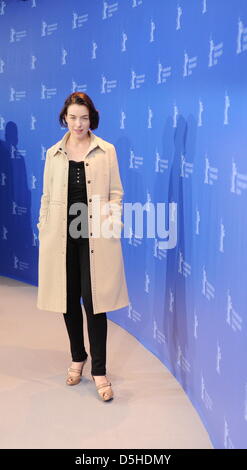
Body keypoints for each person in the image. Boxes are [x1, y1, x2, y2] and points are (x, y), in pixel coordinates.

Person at [37, 92, 129, 401]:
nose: (79, 123)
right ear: (65, 117)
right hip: (61, 239)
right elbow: (47, 197)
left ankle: (99, 370)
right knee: (67, 301)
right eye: (73, 117)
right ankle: (78, 356)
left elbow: (116, 193)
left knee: (95, 303)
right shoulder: (53, 154)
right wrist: (43, 226)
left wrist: (112, 222)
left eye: (84, 117)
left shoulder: (106, 151)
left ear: (92, 119)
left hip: (96, 239)